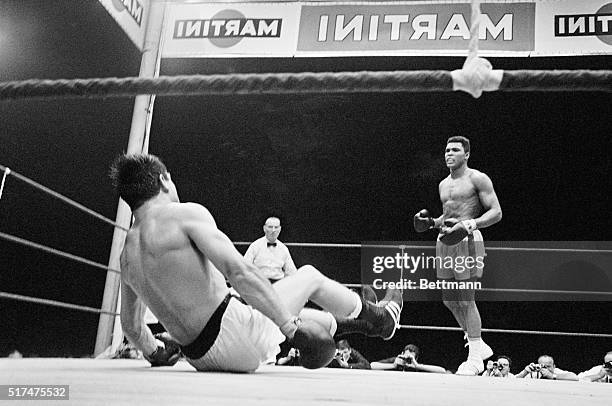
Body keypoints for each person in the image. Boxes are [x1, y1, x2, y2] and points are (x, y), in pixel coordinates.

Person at [110, 153, 403, 373]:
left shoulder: (127, 255)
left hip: (200, 357)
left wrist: (155, 353)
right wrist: (289, 328)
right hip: (235, 334)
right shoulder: (183, 214)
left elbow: (131, 326)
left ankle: (366, 326)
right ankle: (380, 318)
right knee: (309, 277)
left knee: (314, 317)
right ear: (163, 180)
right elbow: (239, 271)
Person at [413, 136, 502, 375]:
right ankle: (478, 344)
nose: (448, 154)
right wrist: (432, 222)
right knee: (449, 300)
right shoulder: (443, 184)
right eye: (446, 150)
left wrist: (469, 225)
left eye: (454, 150)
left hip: (468, 240)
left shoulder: (477, 178)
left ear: (467, 154)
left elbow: (496, 212)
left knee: (465, 299)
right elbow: (448, 215)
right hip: (444, 241)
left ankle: (475, 358)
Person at [244, 217, 298, 283]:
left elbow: (291, 272)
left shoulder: (284, 249)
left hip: (278, 284)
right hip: (259, 283)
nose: (273, 230)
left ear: (280, 229)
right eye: (270, 227)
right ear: (264, 228)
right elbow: (244, 267)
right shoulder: (255, 246)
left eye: (276, 227)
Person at [370, 344, 447, 373]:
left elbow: (442, 371)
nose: (406, 360)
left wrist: (417, 366)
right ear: (402, 354)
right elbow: (372, 365)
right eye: (406, 357)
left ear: (415, 359)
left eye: (409, 358)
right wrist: (393, 365)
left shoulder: (416, 365)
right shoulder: (397, 360)